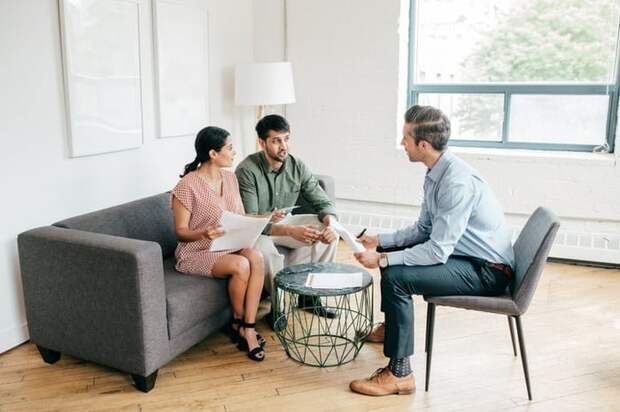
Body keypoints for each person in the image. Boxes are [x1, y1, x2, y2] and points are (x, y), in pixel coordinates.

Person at [349, 105, 515, 396]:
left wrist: (383, 259)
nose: (402, 144)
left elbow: (437, 251)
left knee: (395, 276)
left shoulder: (456, 183)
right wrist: (380, 240)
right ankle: (394, 330)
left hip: (487, 271)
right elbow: (423, 230)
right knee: (393, 267)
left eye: (405, 139)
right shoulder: (437, 171)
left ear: (422, 145)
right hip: (465, 256)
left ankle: (400, 373)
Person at [171, 126, 266, 362]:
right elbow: (181, 233)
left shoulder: (230, 178)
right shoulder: (186, 186)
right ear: (213, 154)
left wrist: (266, 217)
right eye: (230, 148)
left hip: (228, 243)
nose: (235, 153)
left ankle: (249, 326)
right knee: (241, 265)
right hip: (196, 251)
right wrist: (204, 233)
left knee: (257, 257)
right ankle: (239, 323)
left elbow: (240, 217)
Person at [235, 114, 339, 326]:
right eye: (276, 141)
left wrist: (329, 222)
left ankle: (310, 295)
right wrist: (292, 232)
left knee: (331, 234)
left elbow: (322, 201)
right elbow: (253, 222)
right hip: (257, 232)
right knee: (267, 254)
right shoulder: (247, 170)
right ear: (262, 142)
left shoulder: (296, 165)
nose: (283, 146)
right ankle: (277, 306)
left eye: (286, 139)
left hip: (285, 224)